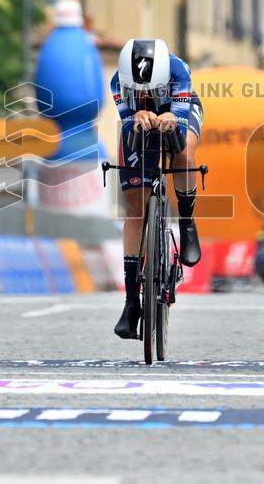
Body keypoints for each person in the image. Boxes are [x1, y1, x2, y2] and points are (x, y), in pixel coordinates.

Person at [110, 38, 203, 339]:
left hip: (177, 113)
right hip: (139, 122)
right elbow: (127, 126)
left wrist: (171, 116)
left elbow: (182, 116)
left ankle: (187, 222)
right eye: (137, 91)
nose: (144, 94)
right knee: (135, 211)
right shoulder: (117, 81)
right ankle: (131, 302)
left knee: (184, 152)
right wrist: (134, 116)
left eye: (151, 88)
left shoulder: (178, 72)